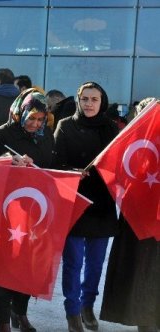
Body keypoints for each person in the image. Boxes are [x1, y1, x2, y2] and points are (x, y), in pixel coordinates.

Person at [52, 81, 119, 332]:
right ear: (78, 101)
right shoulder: (65, 125)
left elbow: (118, 162)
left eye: (94, 99)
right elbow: (55, 162)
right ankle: (72, 312)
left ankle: (87, 305)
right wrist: (71, 172)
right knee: (73, 262)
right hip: (75, 200)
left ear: (102, 102)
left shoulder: (110, 127)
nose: (89, 104)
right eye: (85, 99)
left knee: (95, 264)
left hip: (101, 203)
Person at [0, 88, 54, 332]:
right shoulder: (1, 134)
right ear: (19, 113)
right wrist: (10, 160)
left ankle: (21, 313)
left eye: (40, 119)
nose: (36, 123)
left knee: (29, 266)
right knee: (5, 269)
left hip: (37, 211)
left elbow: (52, 167)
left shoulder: (46, 136)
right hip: (7, 212)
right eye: (31, 118)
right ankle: (2, 321)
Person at [99, 97, 159, 332]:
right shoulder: (129, 141)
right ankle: (144, 321)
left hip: (151, 218)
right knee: (138, 273)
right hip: (135, 219)